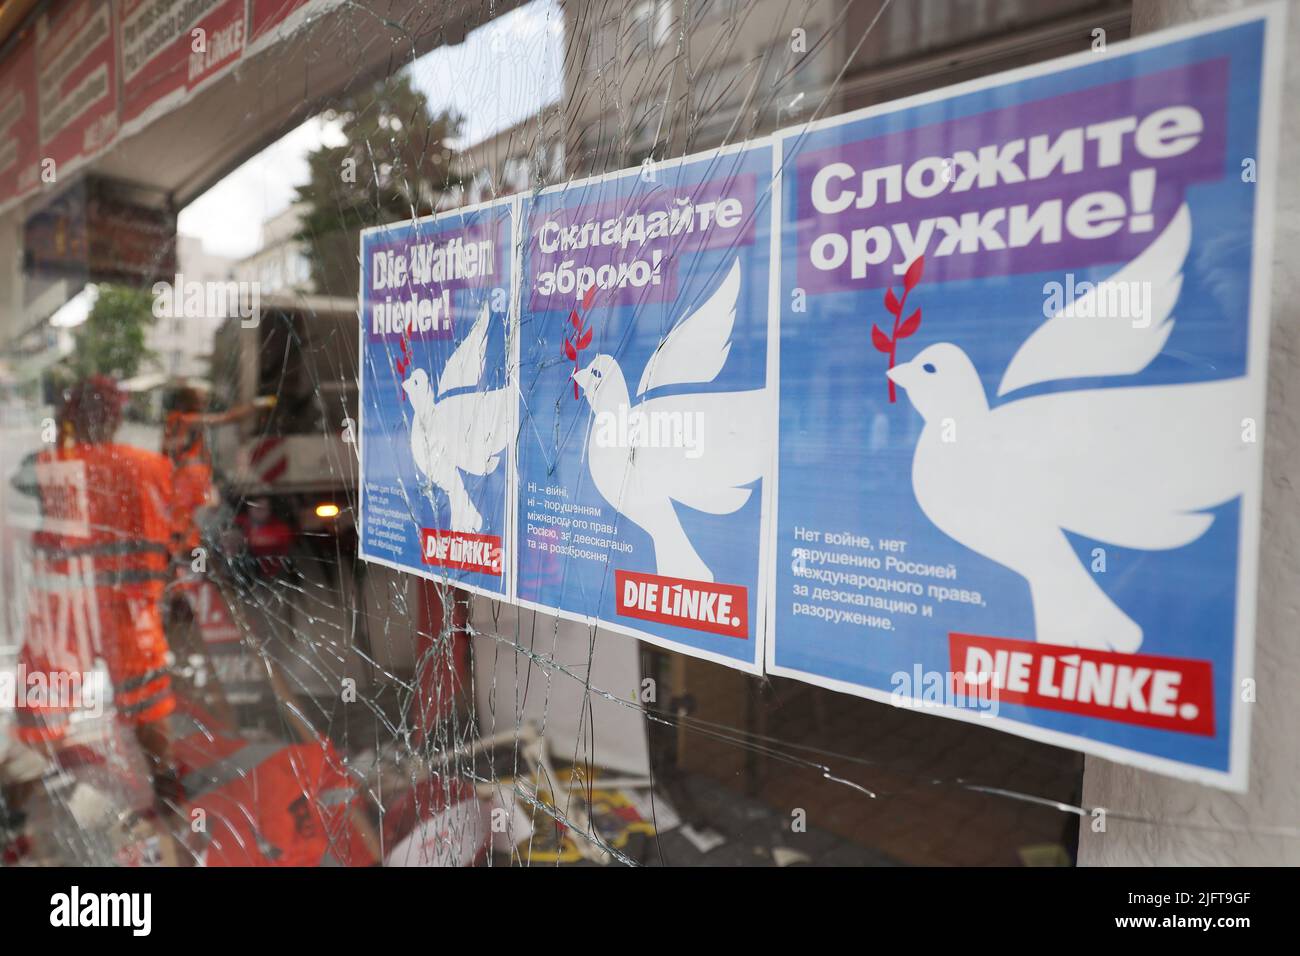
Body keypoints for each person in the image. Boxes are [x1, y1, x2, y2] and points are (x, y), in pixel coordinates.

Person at [14, 376, 183, 826]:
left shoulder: (54, 463)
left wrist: (62, 429)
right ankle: (167, 795)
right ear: (118, 416)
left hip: (65, 611)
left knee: (41, 715)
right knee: (146, 706)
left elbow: (25, 478)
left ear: (72, 414)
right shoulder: (150, 465)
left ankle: (11, 811)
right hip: (130, 607)